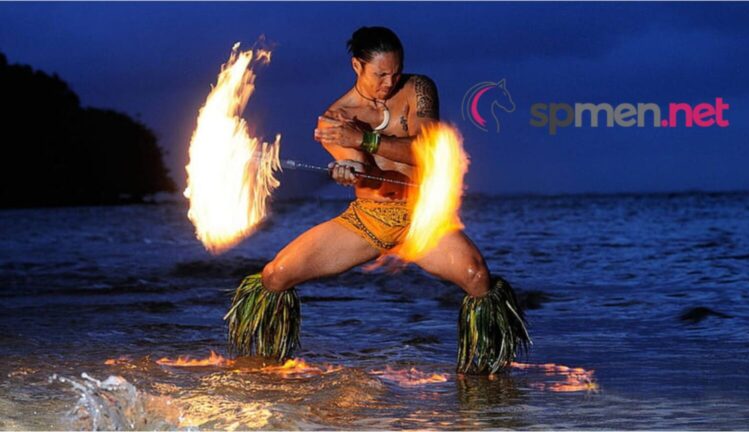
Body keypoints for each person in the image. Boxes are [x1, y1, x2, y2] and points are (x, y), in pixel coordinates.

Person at [226, 27, 530, 375]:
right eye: (380, 74)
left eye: (396, 73)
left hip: (423, 217)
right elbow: (363, 172)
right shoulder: (335, 119)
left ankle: (490, 376)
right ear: (357, 65)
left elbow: (427, 151)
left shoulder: (419, 89)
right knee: (276, 274)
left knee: (477, 278)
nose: (389, 82)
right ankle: (261, 365)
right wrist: (351, 171)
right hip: (368, 219)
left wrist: (366, 140)